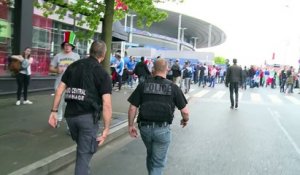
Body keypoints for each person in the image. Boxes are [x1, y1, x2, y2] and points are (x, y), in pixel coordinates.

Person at [48, 41, 112, 175]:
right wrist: (106, 128)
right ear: (104, 55)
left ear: (90, 50)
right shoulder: (103, 74)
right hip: (87, 118)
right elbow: (106, 104)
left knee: (84, 148)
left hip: (70, 117)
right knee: (84, 155)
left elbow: (60, 90)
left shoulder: (73, 66)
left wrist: (53, 112)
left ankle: (88, 147)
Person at [127, 58, 190, 175]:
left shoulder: (143, 85)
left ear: (153, 69)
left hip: (144, 129)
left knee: (151, 155)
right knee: (158, 163)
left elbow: (132, 108)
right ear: (167, 69)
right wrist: (185, 120)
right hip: (162, 130)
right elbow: (185, 111)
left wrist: (130, 125)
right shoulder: (173, 87)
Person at [49, 31, 80, 127]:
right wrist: (56, 70)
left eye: (69, 45)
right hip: (59, 82)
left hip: (72, 83)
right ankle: (57, 119)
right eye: (66, 45)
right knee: (59, 102)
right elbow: (50, 68)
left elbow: (79, 69)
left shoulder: (76, 56)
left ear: (72, 46)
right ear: (63, 45)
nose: (67, 47)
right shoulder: (58, 56)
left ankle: (68, 124)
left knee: (69, 104)